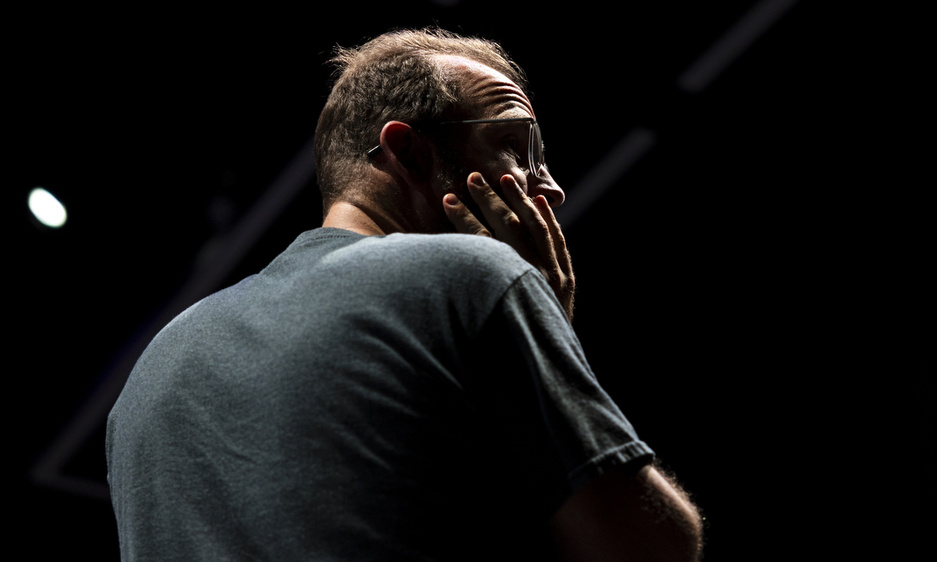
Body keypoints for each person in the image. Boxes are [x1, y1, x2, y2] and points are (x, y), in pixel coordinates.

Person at [106, 27, 702, 561]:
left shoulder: (154, 366)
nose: (551, 187)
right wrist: (547, 324)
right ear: (410, 151)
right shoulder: (472, 275)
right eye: (520, 148)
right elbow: (654, 549)